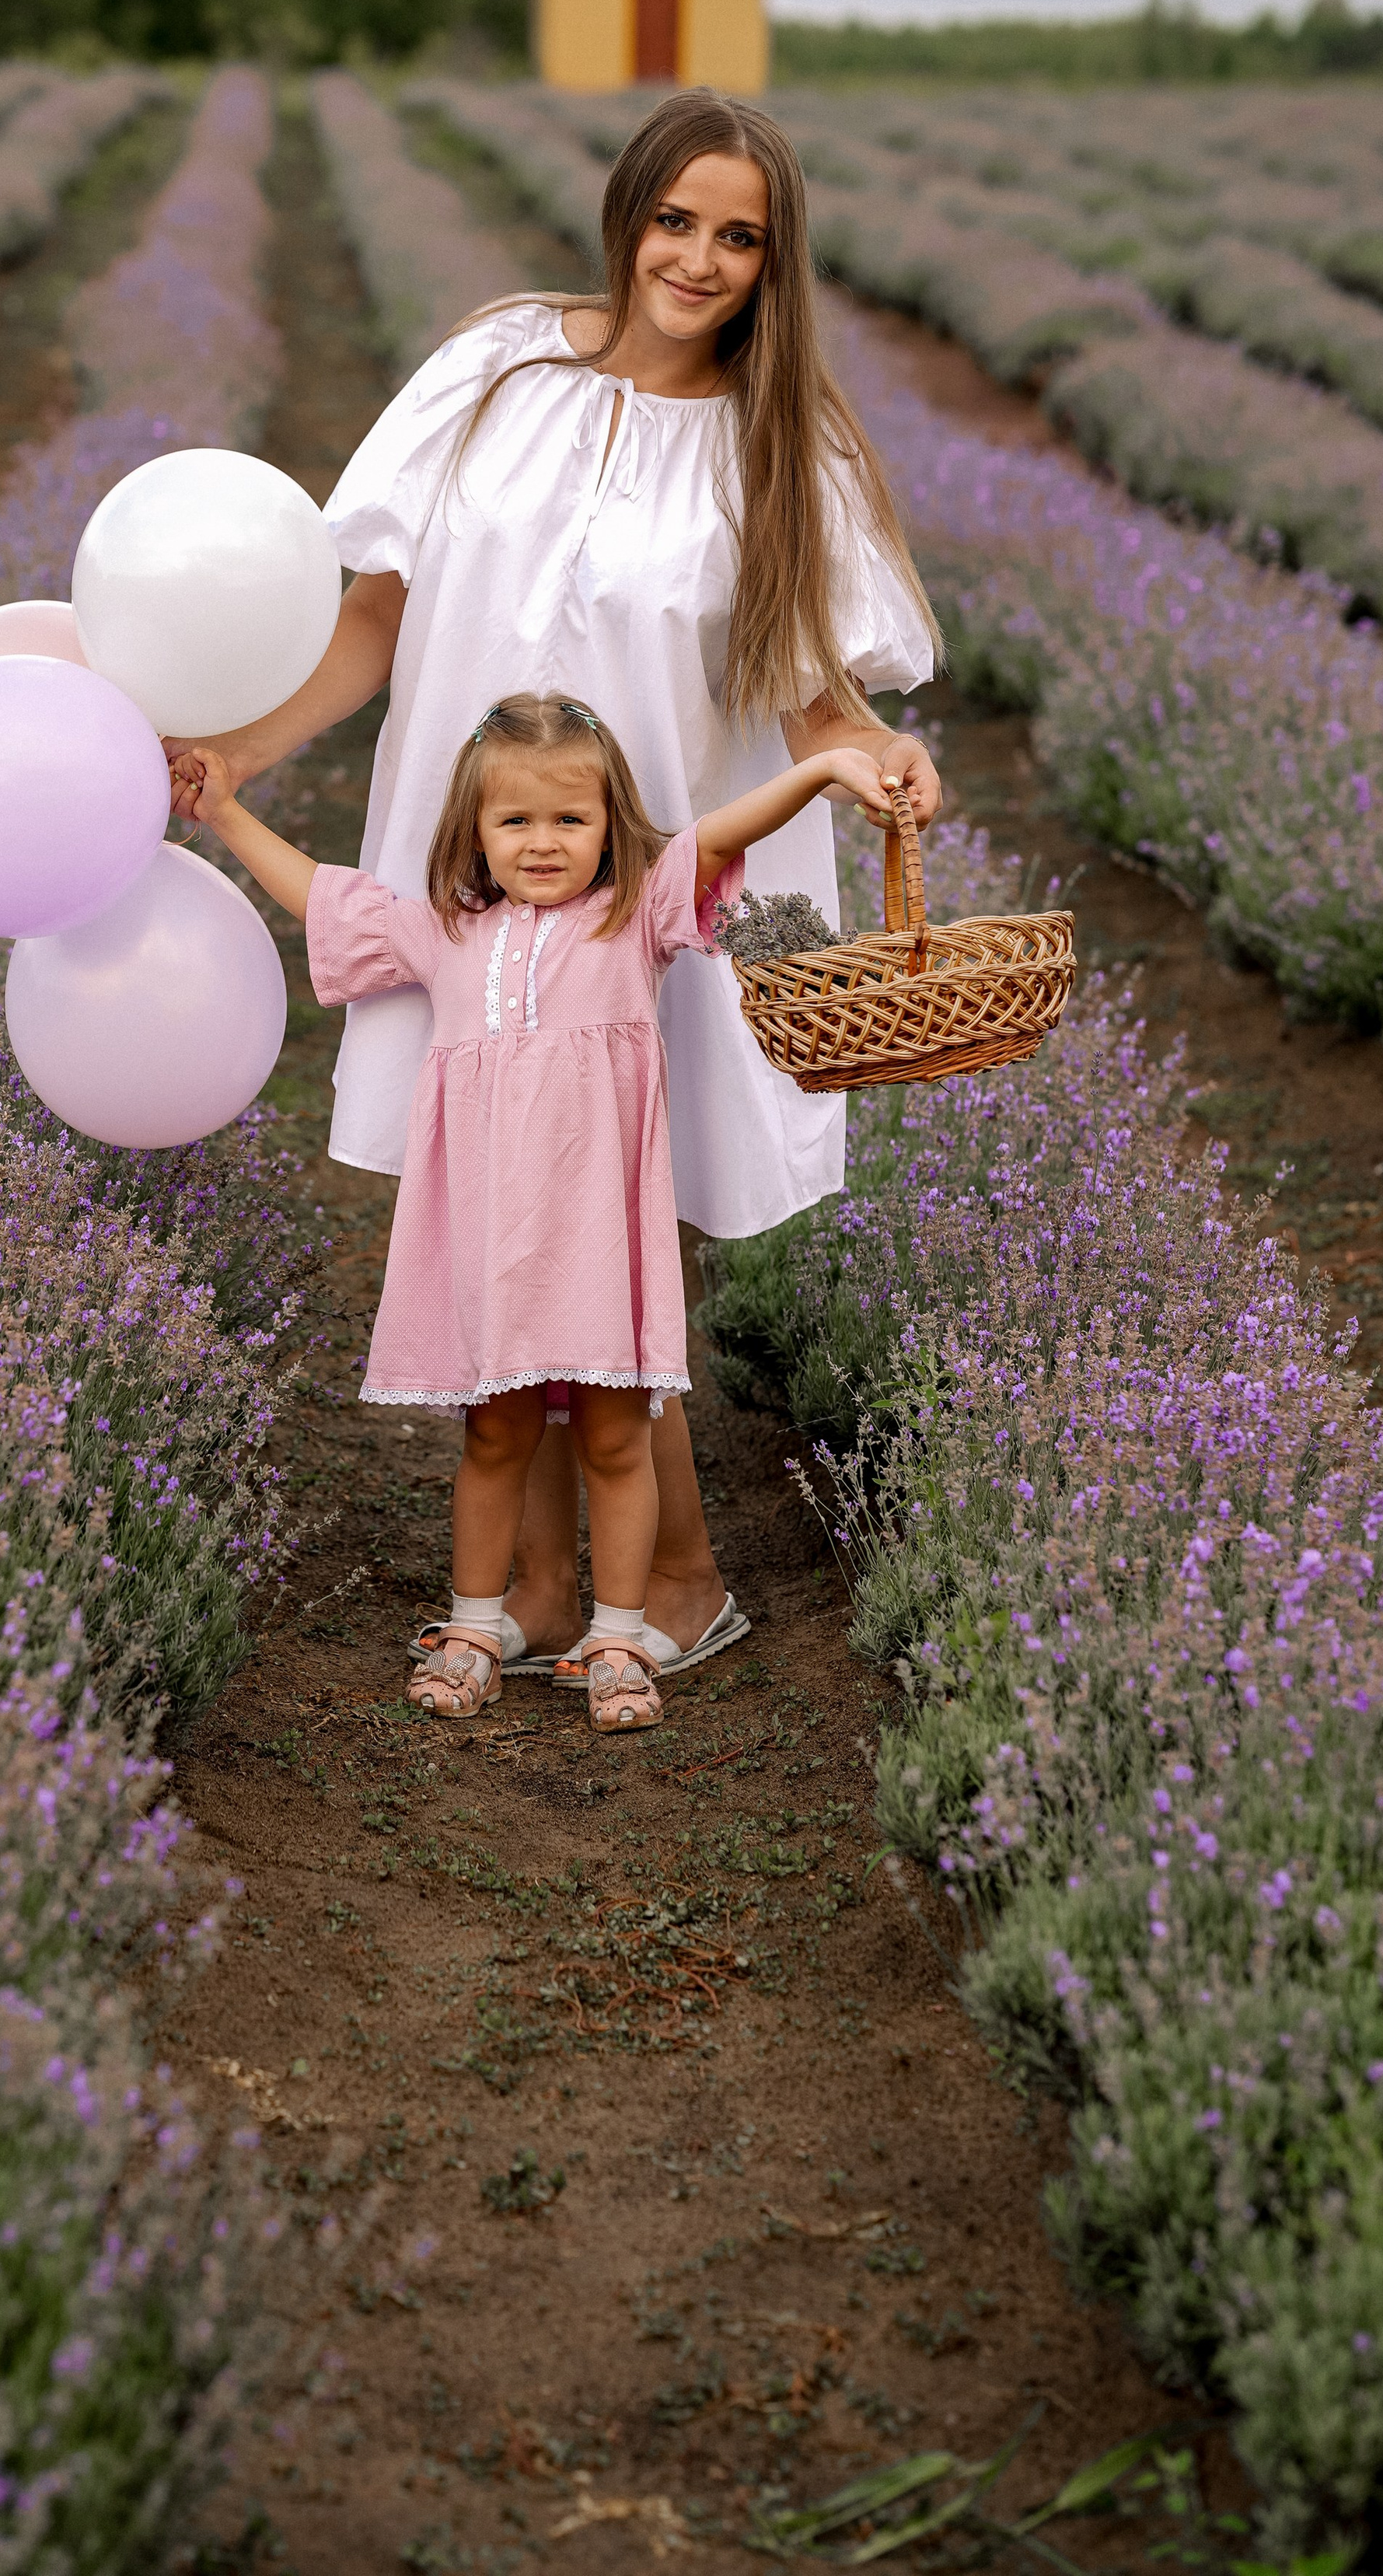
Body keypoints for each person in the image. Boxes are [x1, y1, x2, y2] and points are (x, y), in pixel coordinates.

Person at [166, 87, 942, 1685]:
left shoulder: (778, 447)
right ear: (626, 215)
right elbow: (376, 615)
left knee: (611, 1223)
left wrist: (875, 756)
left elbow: (814, 696)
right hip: (472, 868)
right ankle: (534, 1591)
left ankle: (675, 1581)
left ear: (774, 260)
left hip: (648, 887)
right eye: (676, 221)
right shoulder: (496, 370)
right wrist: (232, 756)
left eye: (739, 238)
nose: (699, 260)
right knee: (504, 1210)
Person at [169, 695, 899, 1730]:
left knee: (617, 1437)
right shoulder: (445, 936)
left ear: (610, 827)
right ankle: (477, 1625)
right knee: (495, 1435)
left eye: (571, 819)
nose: (544, 842)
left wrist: (823, 771)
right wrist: (225, 812)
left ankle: (619, 1637)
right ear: (475, 831)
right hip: (492, 1247)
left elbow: (718, 834)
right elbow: (326, 900)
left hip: (599, 1242)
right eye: (515, 821)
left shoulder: (631, 920)